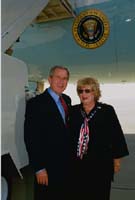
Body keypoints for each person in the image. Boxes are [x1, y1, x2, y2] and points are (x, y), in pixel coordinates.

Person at [69, 77, 129, 200]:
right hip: (78, 165)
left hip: (101, 165)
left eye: (87, 90)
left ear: (95, 92)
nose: (83, 94)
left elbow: (116, 135)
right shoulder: (73, 111)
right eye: (80, 91)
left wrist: (116, 160)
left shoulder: (107, 111)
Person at [24, 66, 71, 200]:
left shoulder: (67, 100)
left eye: (65, 78)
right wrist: (39, 168)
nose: (61, 82)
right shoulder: (36, 103)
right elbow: (31, 138)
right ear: (50, 79)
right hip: (47, 167)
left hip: (65, 165)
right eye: (58, 77)